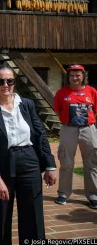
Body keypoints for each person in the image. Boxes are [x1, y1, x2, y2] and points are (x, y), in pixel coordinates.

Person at [0, 66, 57, 244]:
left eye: (10, 81)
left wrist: (50, 165)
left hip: (29, 161)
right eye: (0, 81)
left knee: (33, 215)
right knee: (2, 216)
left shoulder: (27, 104)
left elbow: (40, 134)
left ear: (14, 82)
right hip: (2, 163)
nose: (6, 84)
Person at [54, 64, 97, 209]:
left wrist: (85, 123)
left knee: (91, 163)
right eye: (71, 75)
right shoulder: (61, 93)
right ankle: (64, 193)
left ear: (83, 76)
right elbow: (58, 111)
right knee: (66, 162)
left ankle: (93, 195)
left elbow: (95, 111)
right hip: (68, 129)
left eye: (77, 75)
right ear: (68, 77)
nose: (74, 78)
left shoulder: (92, 91)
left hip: (88, 129)